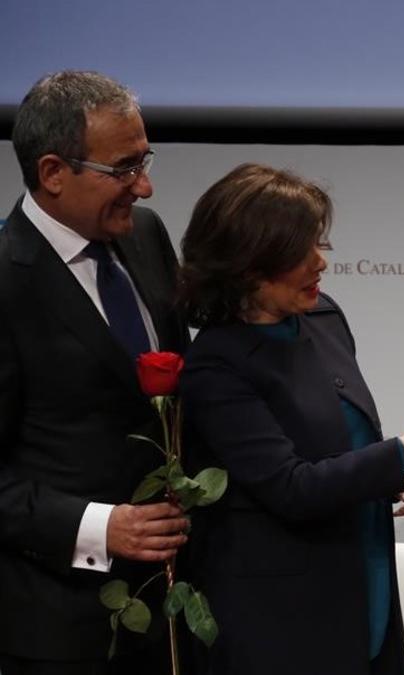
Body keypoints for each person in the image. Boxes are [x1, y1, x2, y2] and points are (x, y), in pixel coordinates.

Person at [177, 164, 404, 675]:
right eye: (302, 251)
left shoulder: (323, 317)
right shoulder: (216, 364)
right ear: (251, 264)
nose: (321, 262)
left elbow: (337, 444)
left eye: (320, 244)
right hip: (282, 619)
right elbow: (290, 487)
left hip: (363, 575)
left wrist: (395, 475)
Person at [0, 71, 191, 674]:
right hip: (62, 631)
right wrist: (97, 526)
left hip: (175, 613)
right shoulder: (5, 282)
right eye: (124, 169)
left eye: (145, 160)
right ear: (53, 172)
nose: (146, 187)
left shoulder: (147, 238)